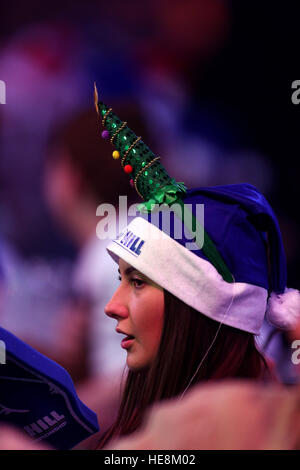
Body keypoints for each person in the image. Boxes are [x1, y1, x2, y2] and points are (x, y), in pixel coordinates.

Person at [93, 89, 300, 448]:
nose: (112, 305)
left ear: (197, 305)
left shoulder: (226, 425)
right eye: (120, 279)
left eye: (138, 282)